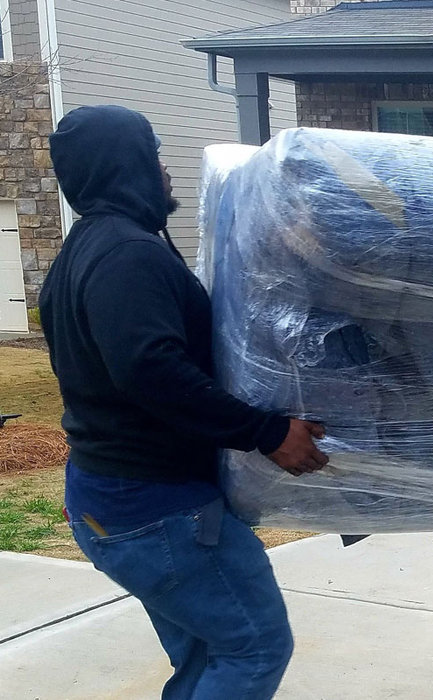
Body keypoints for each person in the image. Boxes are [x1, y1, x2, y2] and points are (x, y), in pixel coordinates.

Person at [40, 105, 329, 700]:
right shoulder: (127, 256)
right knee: (254, 647)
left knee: (205, 654)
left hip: (120, 497)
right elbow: (149, 369)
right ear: (126, 166)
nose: (165, 168)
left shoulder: (89, 249)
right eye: (154, 155)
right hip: (156, 507)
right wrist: (267, 432)